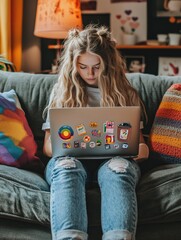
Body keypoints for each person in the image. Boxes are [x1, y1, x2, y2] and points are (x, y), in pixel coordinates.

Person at [42, 24, 149, 240]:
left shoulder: (125, 93)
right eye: (82, 67)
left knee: (118, 170)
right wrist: (62, 148)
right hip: (70, 160)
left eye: (96, 66)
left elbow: (141, 143)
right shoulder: (62, 92)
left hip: (115, 160)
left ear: (108, 64)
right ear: (73, 66)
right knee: (66, 168)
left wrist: (143, 150)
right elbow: (47, 146)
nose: (90, 73)